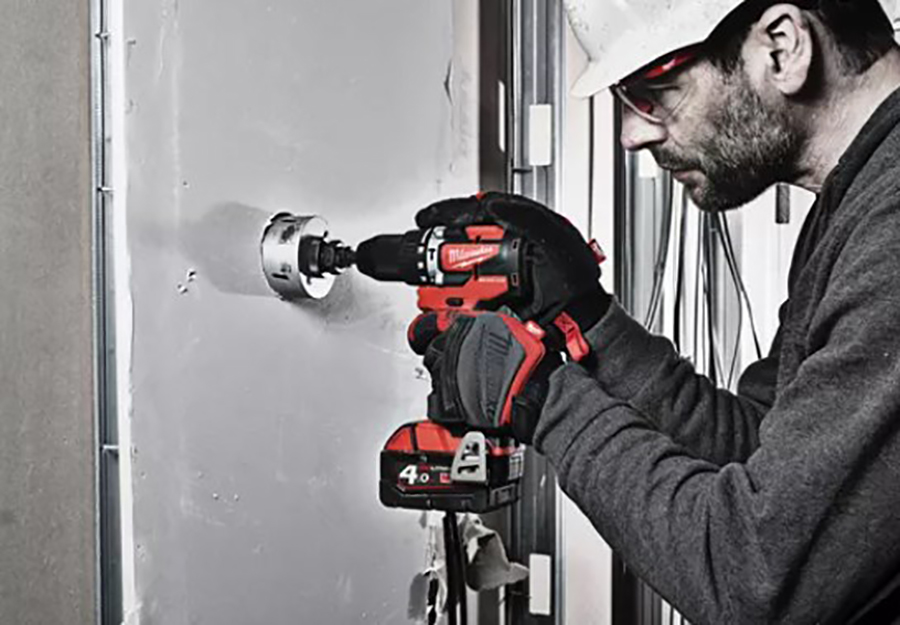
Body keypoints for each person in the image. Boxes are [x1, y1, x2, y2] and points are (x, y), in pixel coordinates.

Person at [409, 1, 900, 622]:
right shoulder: (855, 202)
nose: (631, 134)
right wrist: (586, 316)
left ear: (782, 48)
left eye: (652, 92)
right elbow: (759, 451)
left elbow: (758, 581)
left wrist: (541, 399)